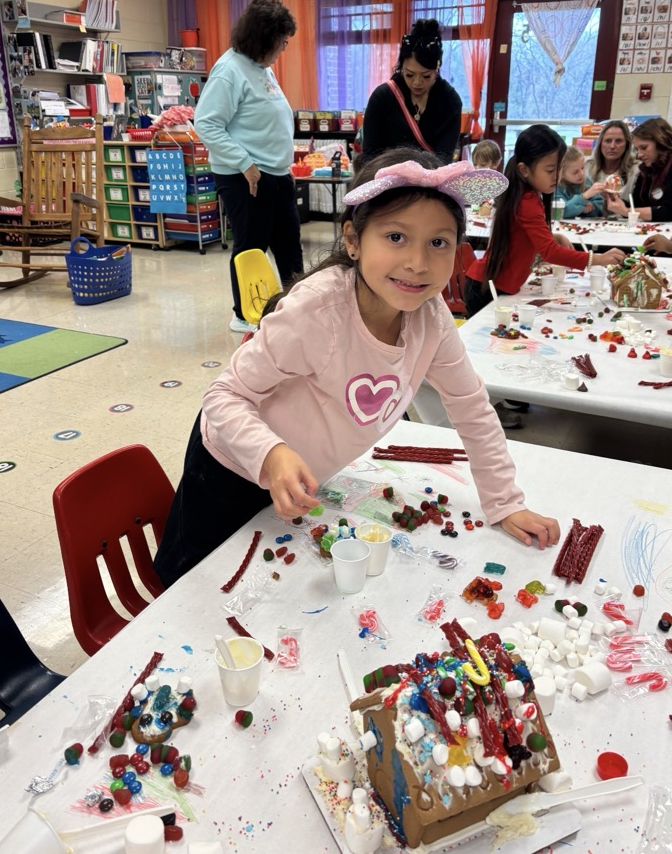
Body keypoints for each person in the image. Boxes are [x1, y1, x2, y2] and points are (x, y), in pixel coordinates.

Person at [153, 147, 560, 588]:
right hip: (228, 467)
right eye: (396, 237)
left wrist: (504, 503)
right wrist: (271, 453)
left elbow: (471, 408)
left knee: (265, 587)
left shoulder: (432, 318)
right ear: (352, 240)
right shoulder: (317, 310)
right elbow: (223, 395)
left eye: (438, 243)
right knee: (193, 583)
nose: (418, 263)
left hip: (303, 480)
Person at [194, 0, 303, 334]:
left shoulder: (261, 68)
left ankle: (295, 308)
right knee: (252, 246)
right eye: (281, 42)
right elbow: (206, 123)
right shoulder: (229, 70)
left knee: (288, 245)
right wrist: (245, 164)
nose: (283, 48)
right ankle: (244, 314)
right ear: (262, 38)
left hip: (275, 173)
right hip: (247, 176)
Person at [464, 124, 625, 319]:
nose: (556, 177)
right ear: (524, 170)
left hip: (490, 285)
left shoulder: (525, 195)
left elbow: (521, 233)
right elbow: (550, 252)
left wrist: (552, 236)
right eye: (550, 170)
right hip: (486, 290)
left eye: (559, 169)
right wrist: (598, 259)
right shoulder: (527, 200)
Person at [362, 20, 462, 164]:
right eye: (409, 74)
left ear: (437, 68)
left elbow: (443, 159)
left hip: (430, 180)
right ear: (401, 67)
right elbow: (370, 156)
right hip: (387, 180)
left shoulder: (450, 101)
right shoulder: (383, 97)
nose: (417, 82)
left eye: (426, 76)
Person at [586, 120, 638, 203]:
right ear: (600, 143)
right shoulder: (587, 166)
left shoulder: (636, 170)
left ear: (627, 145)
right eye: (608, 141)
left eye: (618, 141)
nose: (612, 146)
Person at [554, 146, 605, 219]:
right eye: (575, 172)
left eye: (582, 168)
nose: (582, 173)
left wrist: (587, 211)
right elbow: (561, 212)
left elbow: (600, 206)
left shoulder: (587, 182)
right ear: (561, 173)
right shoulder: (556, 188)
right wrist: (584, 197)